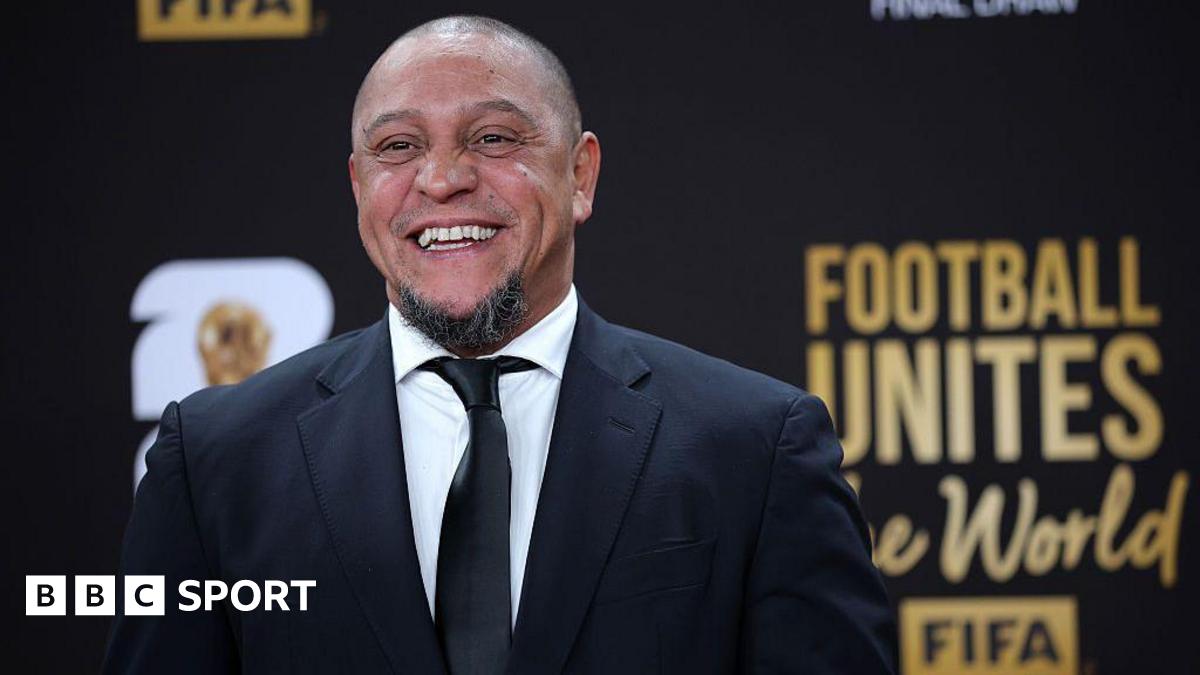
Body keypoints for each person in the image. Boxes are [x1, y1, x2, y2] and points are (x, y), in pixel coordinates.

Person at [103, 15, 897, 674]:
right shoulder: (213, 463)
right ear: (357, 189)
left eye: (491, 138)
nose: (441, 179)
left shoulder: (755, 449)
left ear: (580, 175)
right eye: (398, 147)